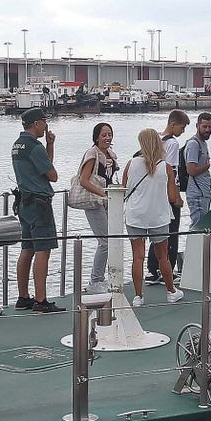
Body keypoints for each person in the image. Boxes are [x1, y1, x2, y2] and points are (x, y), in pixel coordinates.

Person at [122, 127, 184, 307]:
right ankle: (171, 291)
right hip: (158, 216)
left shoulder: (131, 164)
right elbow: (173, 197)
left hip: (135, 216)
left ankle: (138, 297)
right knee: (162, 256)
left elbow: (124, 190)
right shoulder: (165, 167)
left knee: (138, 257)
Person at [11, 107, 62, 312]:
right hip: (39, 203)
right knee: (43, 250)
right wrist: (47, 147)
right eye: (44, 122)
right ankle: (41, 300)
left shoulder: (17, 145)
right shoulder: (34, 146)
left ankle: (23, 296)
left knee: (27, 249)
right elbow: (52, 174)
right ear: (36, 124)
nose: (46, 126)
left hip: (24, 201)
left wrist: (50, 145)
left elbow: (41, 166)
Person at [75, 122, 118, 294]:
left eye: (109, 134)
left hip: (107, 201)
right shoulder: (92, 154)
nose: (107, 138)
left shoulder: (110, 155)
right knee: (105, 241)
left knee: (111, 239)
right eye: (104, 135)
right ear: (96, 137)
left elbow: (109, 178)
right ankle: (95, 280)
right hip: (94, 201)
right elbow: (83, 180)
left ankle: (103, 278)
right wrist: (102, 193)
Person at [148, 109, 189, 282]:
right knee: (172, 232)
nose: (183, 131)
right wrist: (176, 196)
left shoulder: (156, 139)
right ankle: (168, 270)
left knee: (158, 230)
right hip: (169, 192)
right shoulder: (172, 143)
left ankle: (153, 269)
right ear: (173, 124)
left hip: (156, 192)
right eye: (182, 127)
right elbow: (171, 170)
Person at [183, 112, 211, 228]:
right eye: (204, 126)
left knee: (202, 227)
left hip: (203, 193)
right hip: (197, 195)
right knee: (198, 227)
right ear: (197, 126)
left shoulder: (203, 143)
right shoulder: (193, 144)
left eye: (210, 127)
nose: (208, 130)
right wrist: (206, 167)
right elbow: (191, 170)